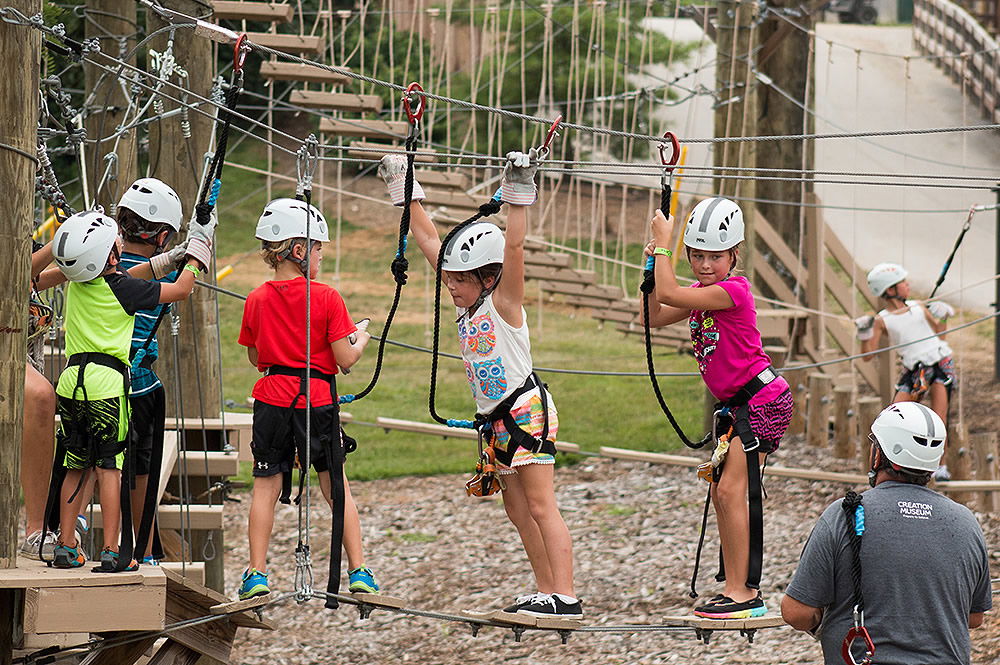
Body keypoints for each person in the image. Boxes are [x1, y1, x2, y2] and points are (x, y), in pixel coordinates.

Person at [378, 149, 582, 619]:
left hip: (526, 410)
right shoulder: (465, 304)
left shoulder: (504, 304)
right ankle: (545, 589)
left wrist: (518, 194)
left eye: (459, 280)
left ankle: (566, 594)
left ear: (488, 279)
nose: (449, 286)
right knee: (516, 510)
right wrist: (404, 192)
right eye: (448, 279)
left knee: (539, 503)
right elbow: (429, 238)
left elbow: (514, 249)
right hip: (495, 421)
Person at [642, 197, 793, 619]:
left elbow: (671, 292)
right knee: (721, 492)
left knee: (729, 492)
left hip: (763, 402)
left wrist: (664, 246)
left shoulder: (734, 291)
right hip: (741, 408)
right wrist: (654, 261)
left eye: (716, 256)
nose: (706, 264)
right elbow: (654, 314)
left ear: (734, 255)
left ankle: (744, 594)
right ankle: (734, 588)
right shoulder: (697, 293)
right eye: (698, 255)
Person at [48, 209, 208, 570]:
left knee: (75, 464)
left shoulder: (77, 282)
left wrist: (169, 259)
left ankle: (66, 544)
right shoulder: (127, 290)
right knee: (109, 466)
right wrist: (196, 258)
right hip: (107, 384)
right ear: (109, 256)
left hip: (72, 382)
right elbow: (181, 290)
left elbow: (123, 274)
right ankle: (112, 551)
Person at [236, 198, 374, 600]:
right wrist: (361, 337)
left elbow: (256, 356)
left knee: (266, 484)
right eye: (317, 249)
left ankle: (256, 572)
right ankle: (359, 569)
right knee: (336, 486)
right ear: (298, 250)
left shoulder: (257, 299)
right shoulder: (327, 297)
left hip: (272, 399)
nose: (320, 257)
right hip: (316, 400)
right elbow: (345, 359)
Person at [782, 402, 991, 665]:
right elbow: (974, 617)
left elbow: (796, 612)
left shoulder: (845, 514)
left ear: (879, 456)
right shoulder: (965, 522)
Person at [115, 178, 186, 563]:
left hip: (95, 382)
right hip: (140, 388)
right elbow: (185, 281)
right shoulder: (167, 275)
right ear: (161, 237)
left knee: (93, 464)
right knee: (142, 471)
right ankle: (144, 551)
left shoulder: (98, 264)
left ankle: (74, 540)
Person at [855, 262, 956, 478]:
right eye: (903, 283)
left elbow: (941, 335)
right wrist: (864, 334)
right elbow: (866, 355)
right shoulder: (882, 320)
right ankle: (885, 463)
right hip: (915, 370)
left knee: (940, 416)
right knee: (893, 415)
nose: (908, 285)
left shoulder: (918, 307)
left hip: (939, 364)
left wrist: (944, 316)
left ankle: (941, 466)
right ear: (890, 290)